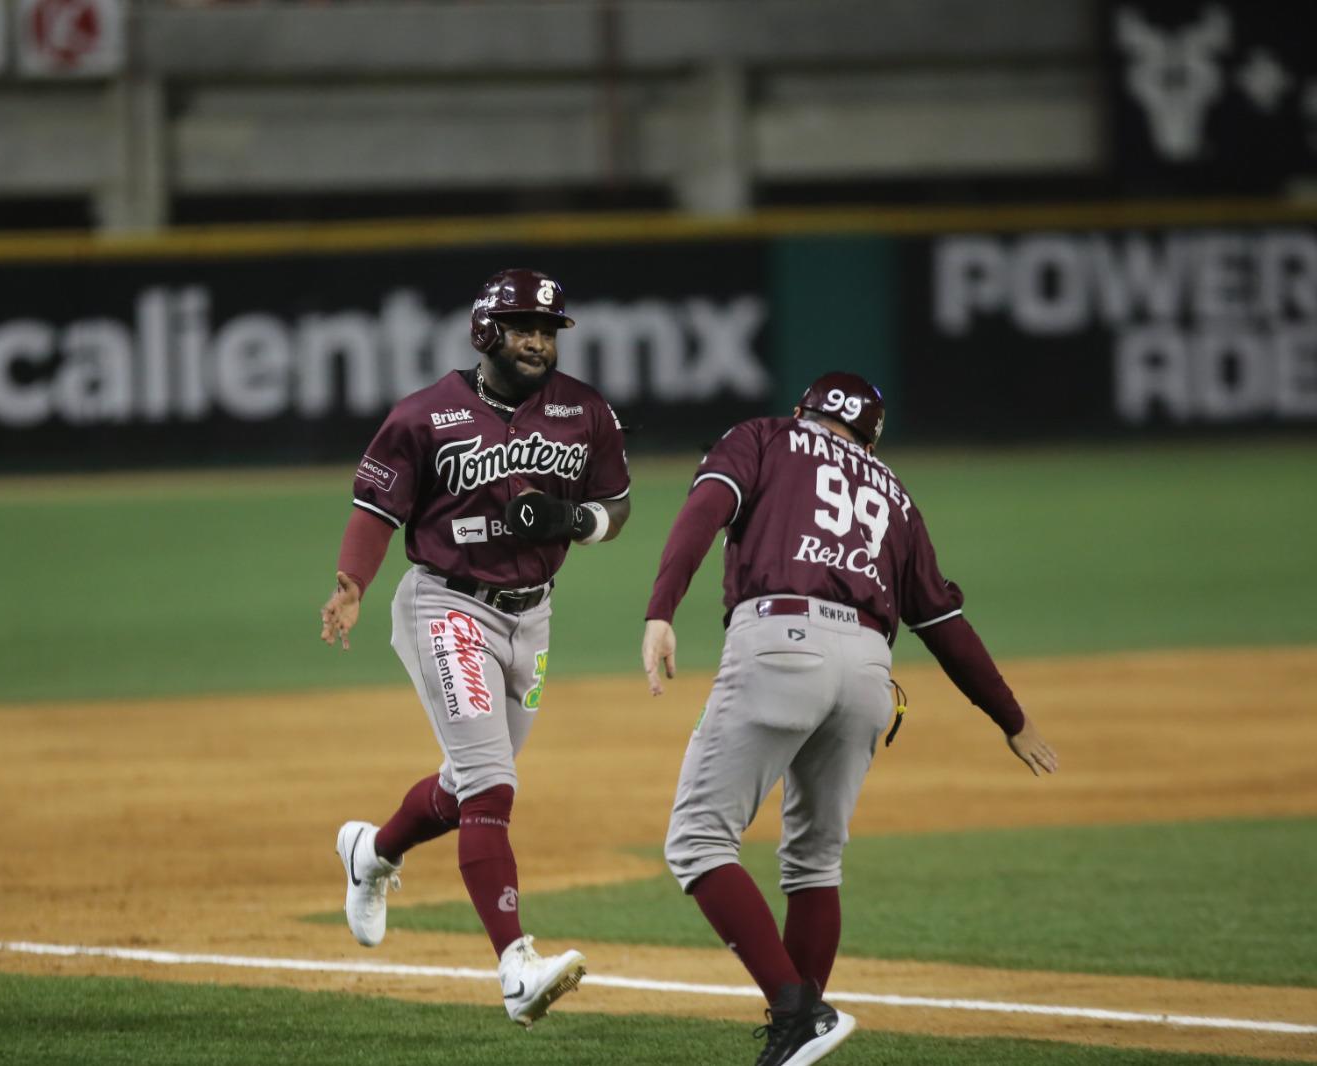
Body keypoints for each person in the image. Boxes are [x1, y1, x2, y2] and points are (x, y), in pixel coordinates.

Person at [640, 371, 1058, 1066]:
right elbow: (943, 621)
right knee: (813, 862)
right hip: (869, 670)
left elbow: (705, 510)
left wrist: (662, 608)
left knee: (699, 844)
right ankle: (796, 1038)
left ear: (805, 410)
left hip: (780, 642)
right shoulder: (894, 494)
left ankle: (798, 1013)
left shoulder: (764, 437)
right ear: (873, 434)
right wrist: (1011, 718)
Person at [320, 268, 631, 1027]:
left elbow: (616, 506)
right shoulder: (425, 416)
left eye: (548, 329)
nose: (537, 340)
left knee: (467, 787)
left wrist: (572, 524)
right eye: (523, 326)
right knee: (493, 784)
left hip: (534, 617)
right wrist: (351, 584)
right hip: (447, 603)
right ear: (485, 331)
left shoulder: (584, 411)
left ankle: (373, 852)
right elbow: (374, 507)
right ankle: (515, 966)